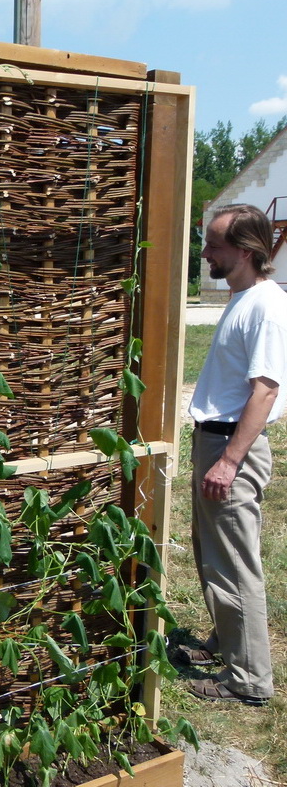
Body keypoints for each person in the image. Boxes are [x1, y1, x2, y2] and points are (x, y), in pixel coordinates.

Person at [183, 203, 287, 706]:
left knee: (235, 563)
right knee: (211, 551)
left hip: (231, 446)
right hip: (215, 439)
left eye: (213, 246)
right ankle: (227, 642)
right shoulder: (242, 297)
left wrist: (229, 461)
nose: (205, 254)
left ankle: (249, 681)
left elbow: (264, 390)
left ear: (245, 252)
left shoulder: (266, 304)